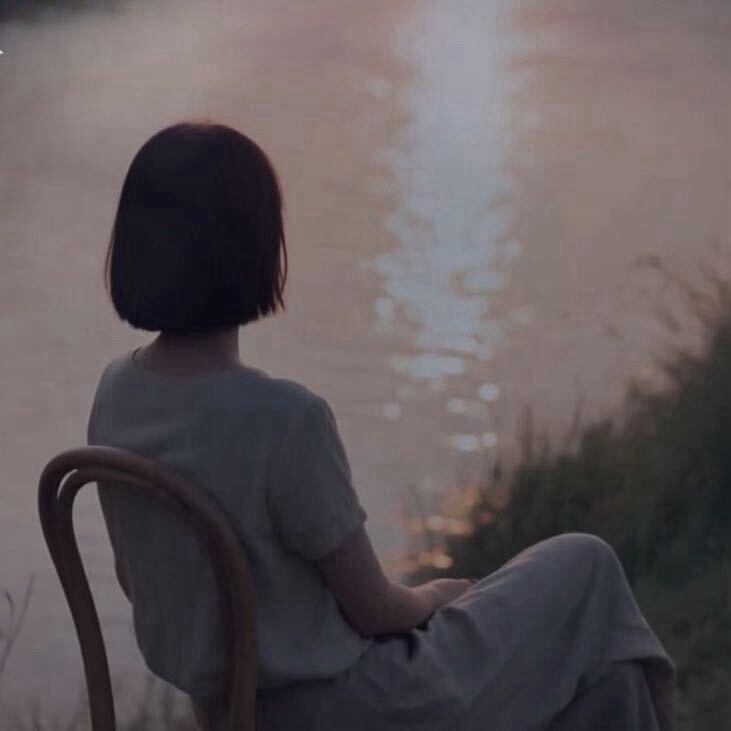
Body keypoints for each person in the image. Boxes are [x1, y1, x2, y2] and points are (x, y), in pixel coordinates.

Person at [87, 120, 677, 730]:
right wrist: (438, 595)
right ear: (256, 249)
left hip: (228, 713)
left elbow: (141, 582)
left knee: (612, 682)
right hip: (362, 707)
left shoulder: (115, 392)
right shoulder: (285, 419)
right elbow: (376, 611)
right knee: (586, 565)